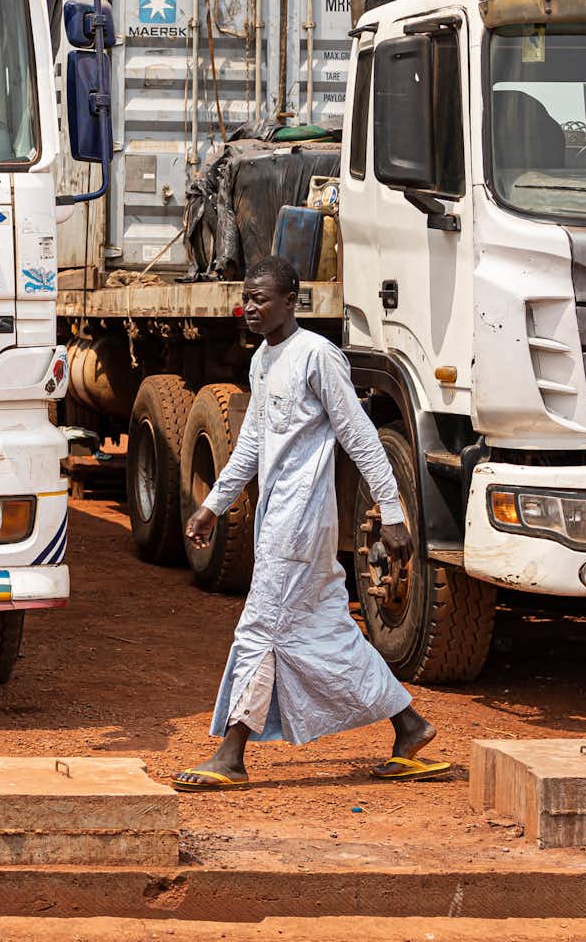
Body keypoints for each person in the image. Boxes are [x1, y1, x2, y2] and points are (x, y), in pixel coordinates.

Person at [173, 254, 447, 791]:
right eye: (247, 298)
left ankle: (231, 755)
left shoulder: (318, 356)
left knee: (259, 630)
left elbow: (361, 436)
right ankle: (409, 726)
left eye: (261, 298)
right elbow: (251, 442)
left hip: (301, 523)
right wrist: (214, 504)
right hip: (276, 518)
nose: (249, 307)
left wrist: (392, 513)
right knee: (327, 631)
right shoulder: (262, 361)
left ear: (290, 300)